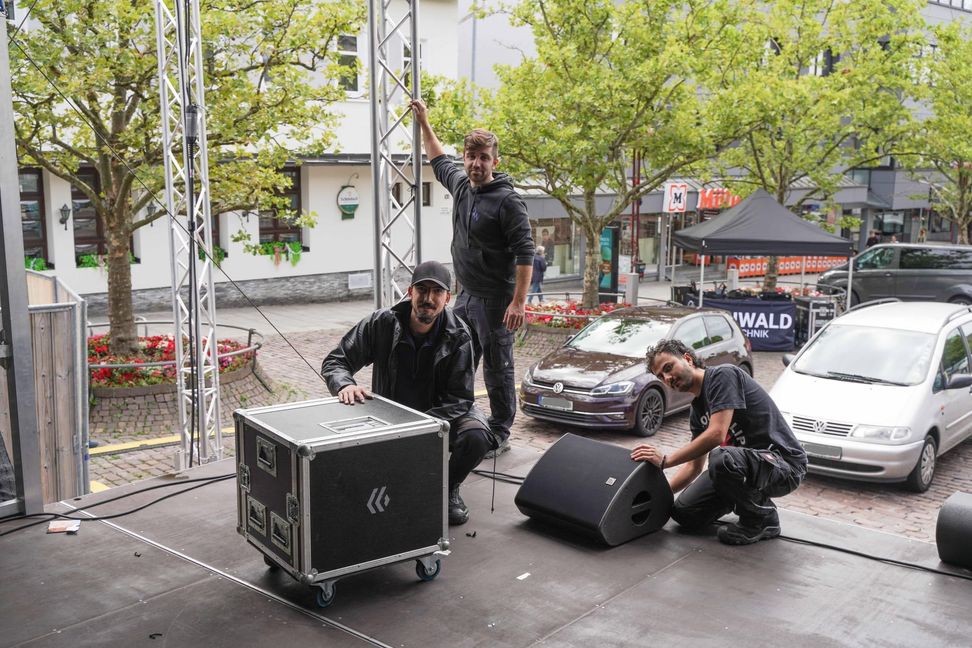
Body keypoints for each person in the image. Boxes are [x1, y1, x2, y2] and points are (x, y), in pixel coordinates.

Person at [321, 260, 494, 526]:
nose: (428, 298)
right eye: (422, 290)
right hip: (393, 414)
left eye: (437, 292)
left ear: (447, 298)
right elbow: (336, 361)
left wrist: (420, 426)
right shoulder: (382, 322)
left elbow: (460, 399)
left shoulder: (460, 336)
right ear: (409, 291)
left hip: (440, 415)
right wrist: (345, 384)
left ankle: (447, 489)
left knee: (477, 436)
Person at [410, 100, 534, 459]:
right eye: (471, 156)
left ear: (496, 161)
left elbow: (525, 253)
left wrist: (518, 302)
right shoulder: (461, 185)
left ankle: (500, 432)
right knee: (458, 359)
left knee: (498, 368)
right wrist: (424, 121)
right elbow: (436, 156)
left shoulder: (508, 202)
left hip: (497, 301)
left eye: (483, 157)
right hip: (465, 296)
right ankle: (461, 416)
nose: (476, 163)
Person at [631, 339, 807, 545]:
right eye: (661, 376)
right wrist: (657, 495)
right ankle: (737, 497)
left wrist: (666, 460)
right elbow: (693, 467)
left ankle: (762, 519)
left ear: (687, 359)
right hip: (743, 467)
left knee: (722, 458)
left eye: (669, 368)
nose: (668, 378)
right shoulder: (697, 411)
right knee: (684, 513)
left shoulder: (723, 375)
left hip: (784, 466)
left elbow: (717, 434)